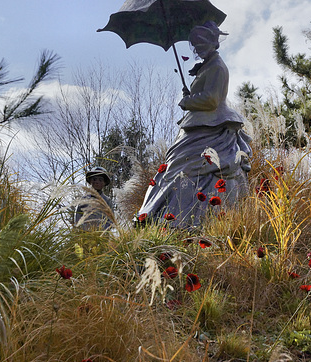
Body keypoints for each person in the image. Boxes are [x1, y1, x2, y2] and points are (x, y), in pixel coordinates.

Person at [136, 21, 252, 228]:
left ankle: (190, 219)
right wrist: (191, 96)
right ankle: (163, 216)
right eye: (195, 44)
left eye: (201, 43)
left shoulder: (217, 66)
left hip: (211, 127)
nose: (198, 48)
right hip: (199, 125)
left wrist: (188, 101)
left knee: (189, 168)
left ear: (213, 42)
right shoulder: (207, 66)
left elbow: (212, 100)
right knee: (177, 168)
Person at [73, 166, 115, 231]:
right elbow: (77, 217)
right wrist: (82, 230)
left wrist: (103, 230)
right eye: (94, 179)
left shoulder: (107, 201)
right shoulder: (83, 200)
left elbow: (111, 220)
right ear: (90, 181)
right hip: (85, 236)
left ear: (104, 183)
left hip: (103, 236)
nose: (97, 182)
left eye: (100, 180)